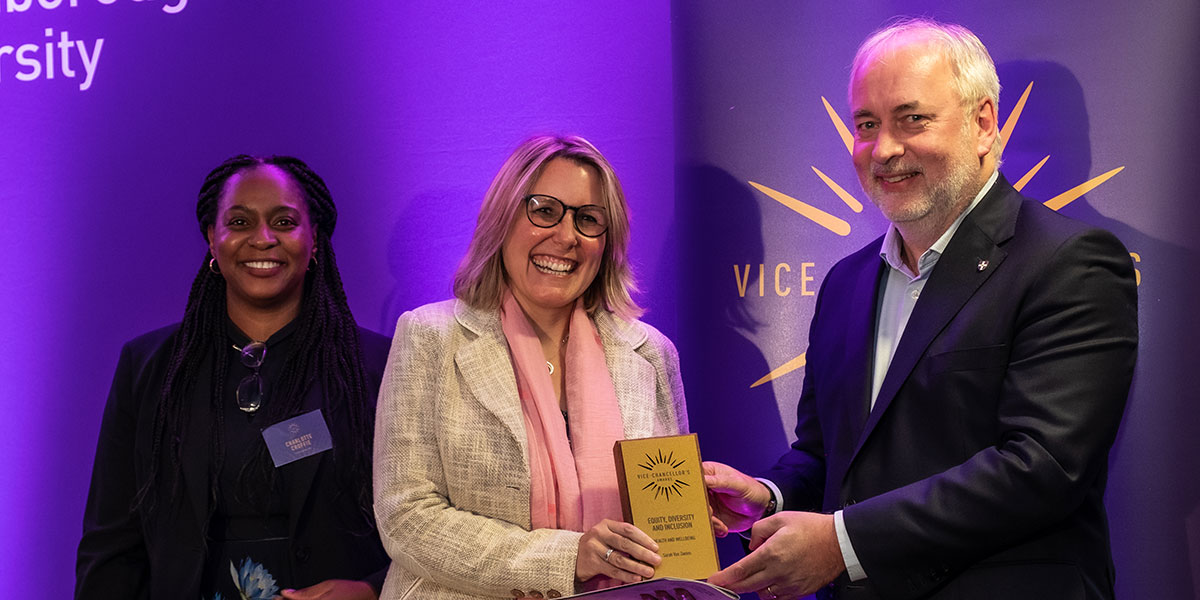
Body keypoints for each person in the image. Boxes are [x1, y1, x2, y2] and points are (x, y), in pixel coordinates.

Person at [703, 18, 1138, 600]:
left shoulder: (1070, 263)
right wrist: (769, 495)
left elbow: (1043, 467)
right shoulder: (846, 283)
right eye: (866, 125)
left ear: (984, 124)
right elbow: (829, 454)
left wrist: (840, 543)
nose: (883, 149)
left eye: (912, 119)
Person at [373, 135, 688, 599]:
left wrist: (690, 520)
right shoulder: (429, 337)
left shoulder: (651, 353)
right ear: (502, 219)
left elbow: (666, 516)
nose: (565, 237)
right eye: (544, 210)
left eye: (588, 220)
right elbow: (407, 517)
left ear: (608, 241)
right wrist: (567, 558)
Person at [77, 155, 391, 600]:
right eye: (240, 222)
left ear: (314, 239)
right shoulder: (149, 367)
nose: (262, 239)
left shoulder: (375, 367)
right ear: (212, 238)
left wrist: (372, 591)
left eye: (284, 222)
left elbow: (423, 526)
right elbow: (110, 545)